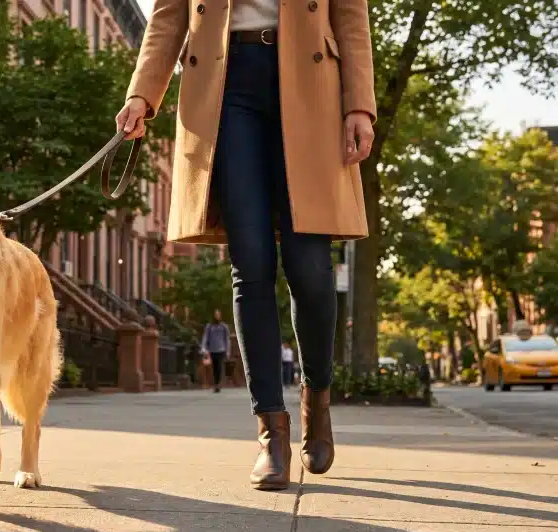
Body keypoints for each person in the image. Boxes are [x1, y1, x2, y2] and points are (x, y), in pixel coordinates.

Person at [117, 0, 376, 490]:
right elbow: (169, 15)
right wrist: (141, 94)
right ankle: (271, 433)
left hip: (312, 82)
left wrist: (359, 104)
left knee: (310, 268)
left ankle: (317, 401)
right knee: (250, 262)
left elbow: (350, 15)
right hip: (225, 84)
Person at [201, 309, 231, 393]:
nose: (217, 316)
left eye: (218, 314)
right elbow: (205, 337)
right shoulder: (209, 326)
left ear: (220, 316)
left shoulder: (224, 326)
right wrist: (203, 348)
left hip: (221, 350)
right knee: (214, 368)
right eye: (215, 314)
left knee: (219, 367)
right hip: (212, 350)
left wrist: (228, 351)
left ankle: (218, 384)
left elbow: (227, 339)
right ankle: (215, 384)